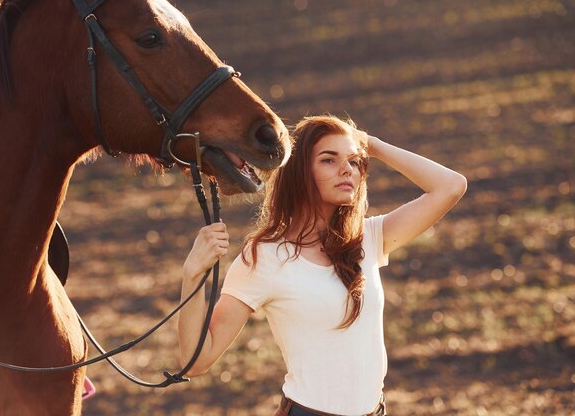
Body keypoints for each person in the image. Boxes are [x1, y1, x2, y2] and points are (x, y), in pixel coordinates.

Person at [177, 114, 467, 416]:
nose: (347, 170)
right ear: (301, 171)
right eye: (329, 160)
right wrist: (193, 274)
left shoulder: (367, 238)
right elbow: (196, 360)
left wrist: (374, 146)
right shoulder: (264, 257)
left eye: (354, 162)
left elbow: (451, 186)